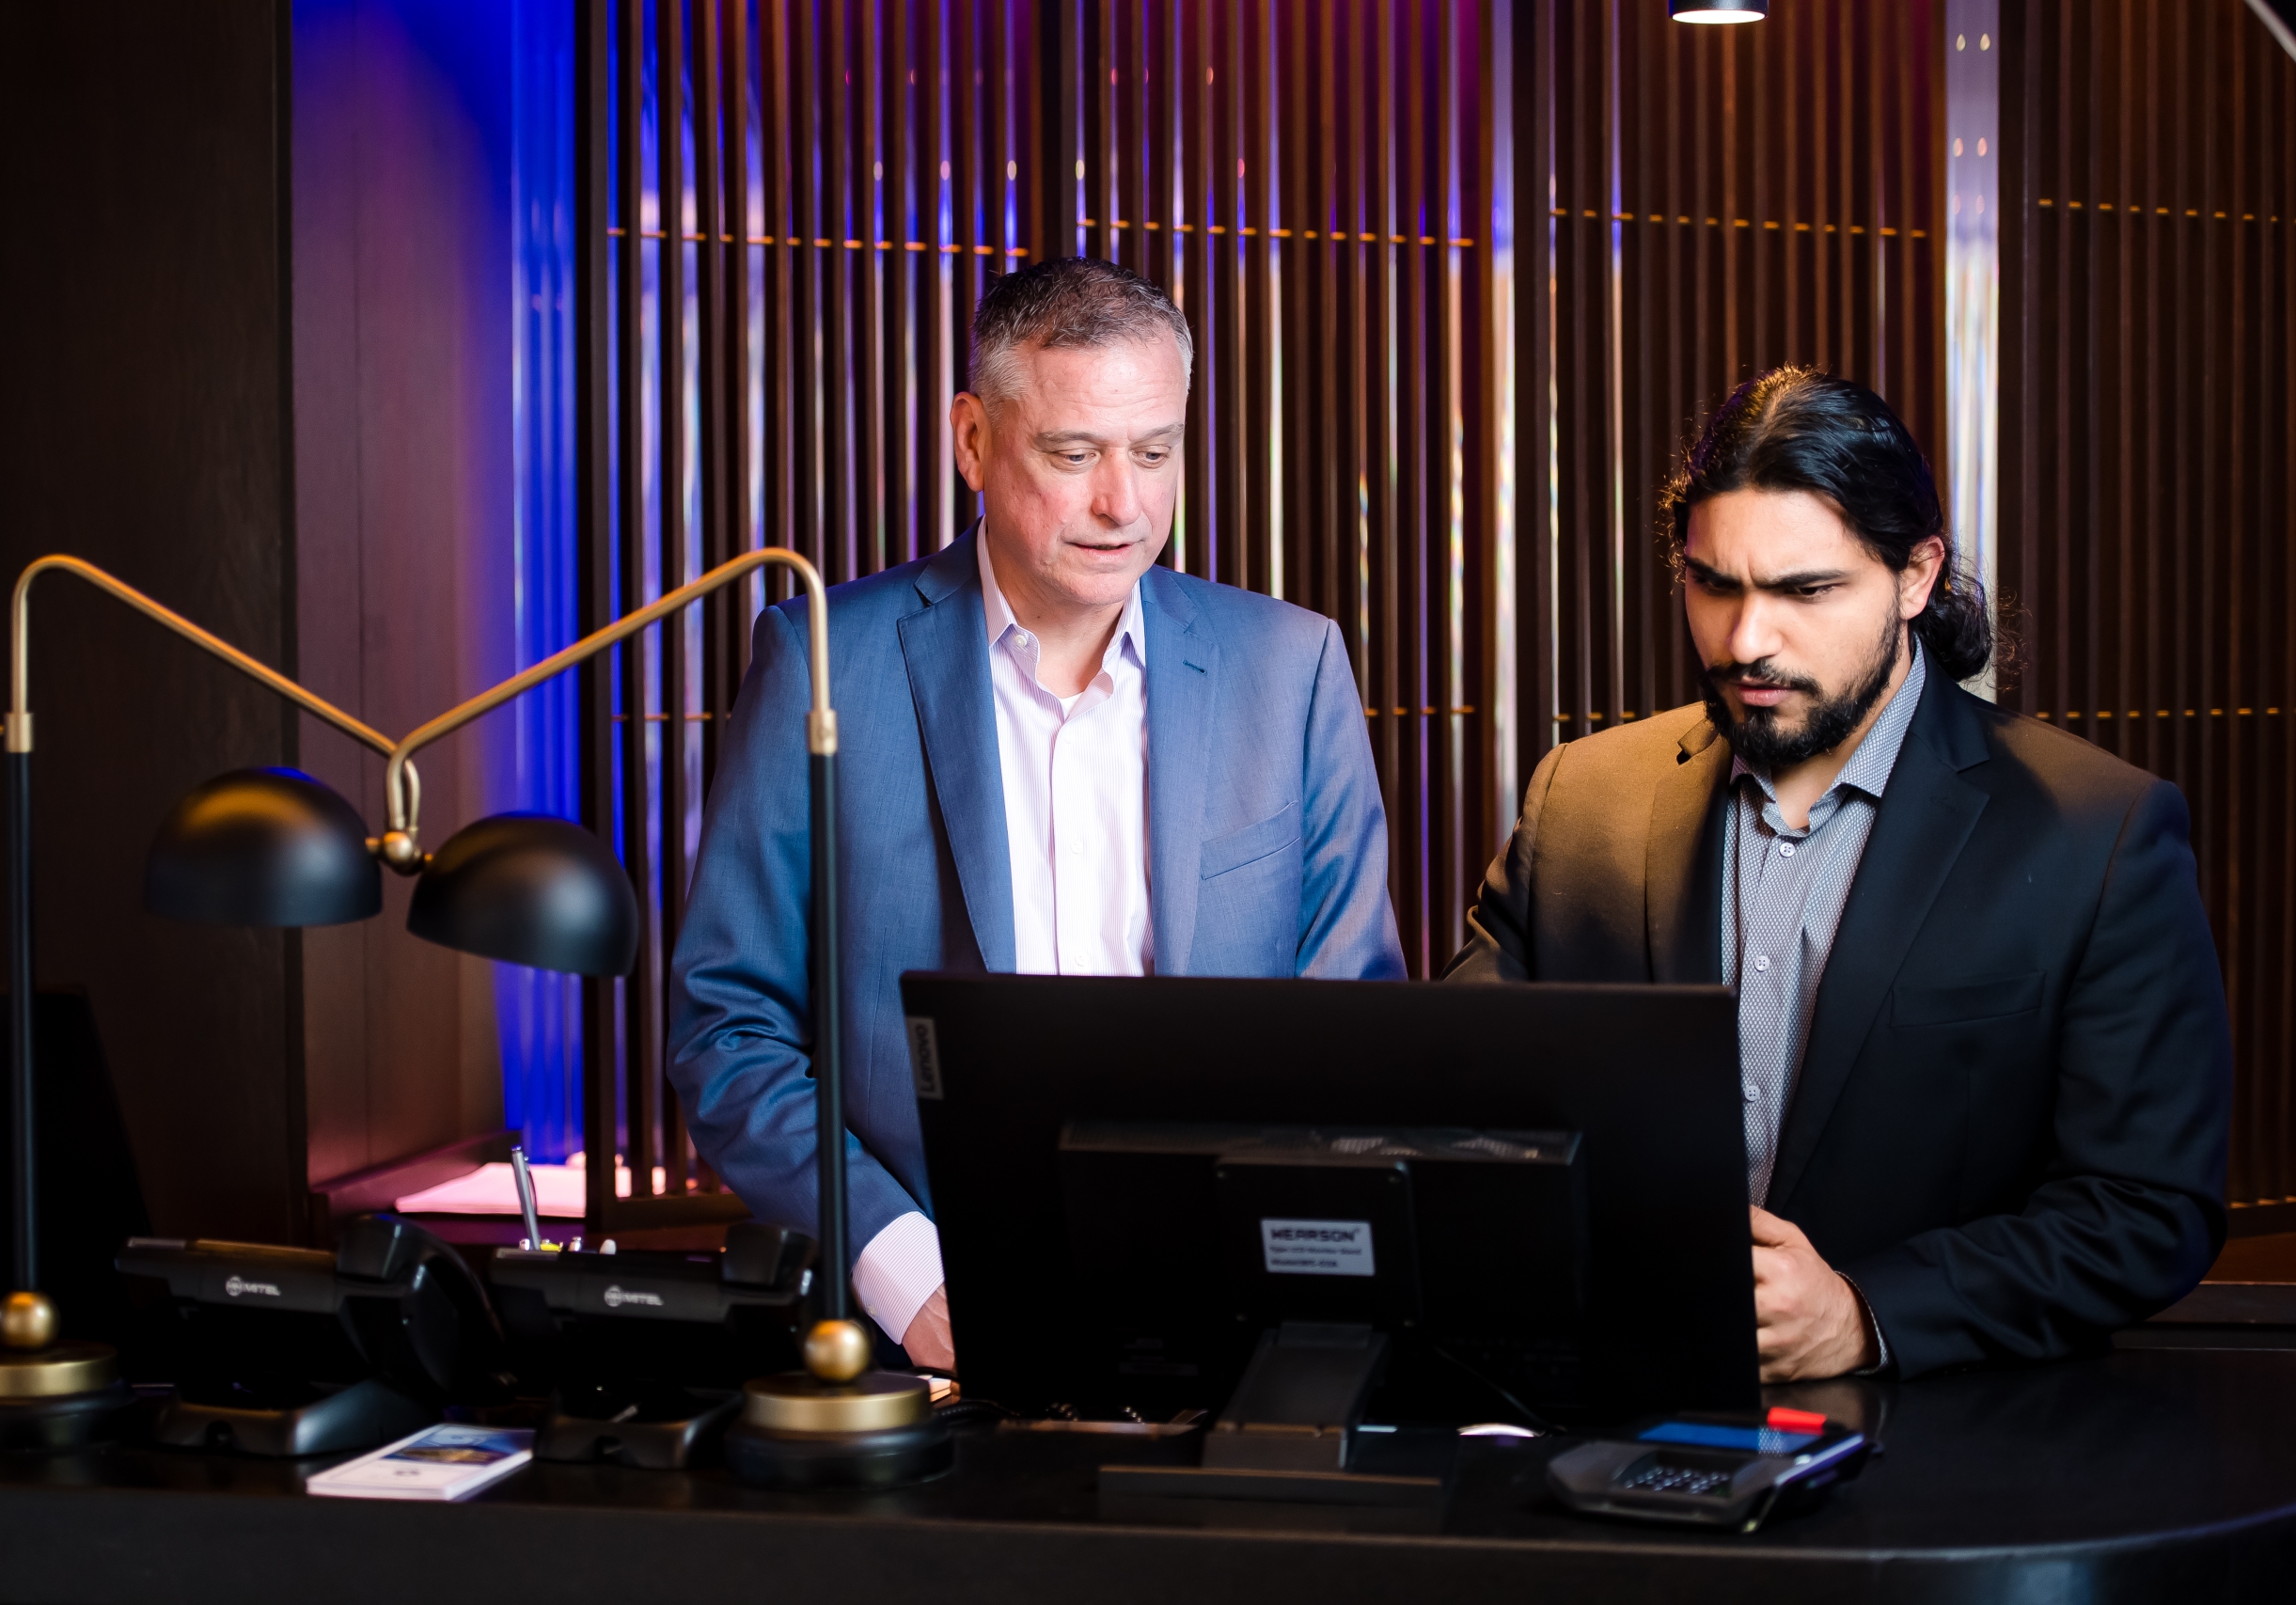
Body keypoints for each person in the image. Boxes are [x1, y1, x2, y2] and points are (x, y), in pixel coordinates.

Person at [669, 258, 1407, 1369]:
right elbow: (728, 1028)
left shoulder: (1289, 667)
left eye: (1154, 452)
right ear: (972, 439)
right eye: (1074, 455)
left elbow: (1354, 1031)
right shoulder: (822, 660)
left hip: (1228, 1316)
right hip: (919, 1326)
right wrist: (902, 1271)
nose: (1125, 502)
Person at [1447, 367, 2230, 1381]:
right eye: (1712, 584)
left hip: (1939, 1448)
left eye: (1806, 590)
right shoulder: (1581, 800)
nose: (1747, 640)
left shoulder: (2098, 831)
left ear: (1915, 576)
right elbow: (1461, 1117)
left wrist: (1867, 1315)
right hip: (1604, 1408)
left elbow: (2147, 1209)